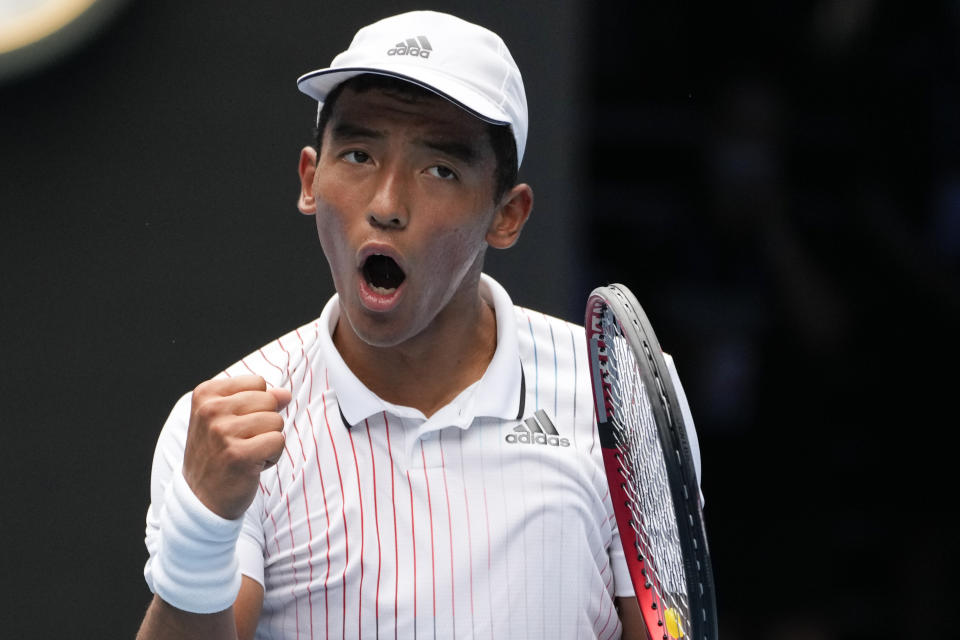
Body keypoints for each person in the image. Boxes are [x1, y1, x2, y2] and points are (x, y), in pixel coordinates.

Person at [137, 10, 701, 639]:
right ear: (309, 181)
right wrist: (202, 528)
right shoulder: (222, 434)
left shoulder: (615, 392)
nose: (386, 206)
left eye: (441, 170)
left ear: (507, 216)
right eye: (357, 154)